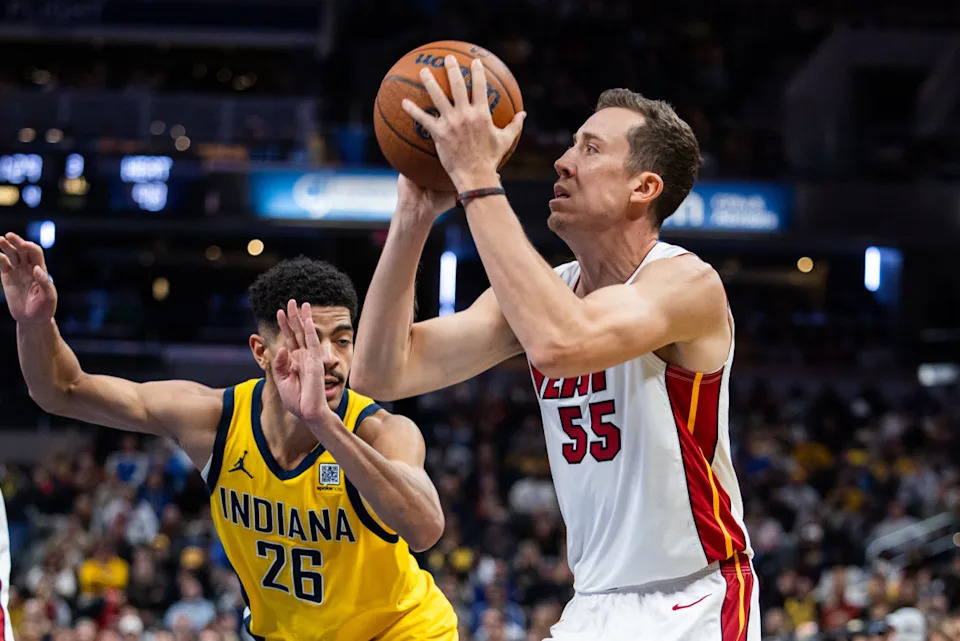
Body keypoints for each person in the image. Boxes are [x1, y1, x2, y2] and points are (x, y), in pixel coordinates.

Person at [354, 55, 758, 640]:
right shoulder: (543, 294)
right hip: (593, 602)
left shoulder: (686, 283)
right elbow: (381, 371)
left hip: (694, 598)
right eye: (571, 147)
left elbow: (562, 342)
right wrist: (413, 218)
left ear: (644, 188)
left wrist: (475, 177)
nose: (563, 162)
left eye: (590, 150)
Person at [0, 238, 456, 641]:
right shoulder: (214, 419)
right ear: (261, 351)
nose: (330, 359)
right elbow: (62, 390)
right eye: (309, 340)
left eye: (343, 341)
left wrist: (321, 422)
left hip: (402, 631)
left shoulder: (381, 432)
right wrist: (35, 323)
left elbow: (425, 528)